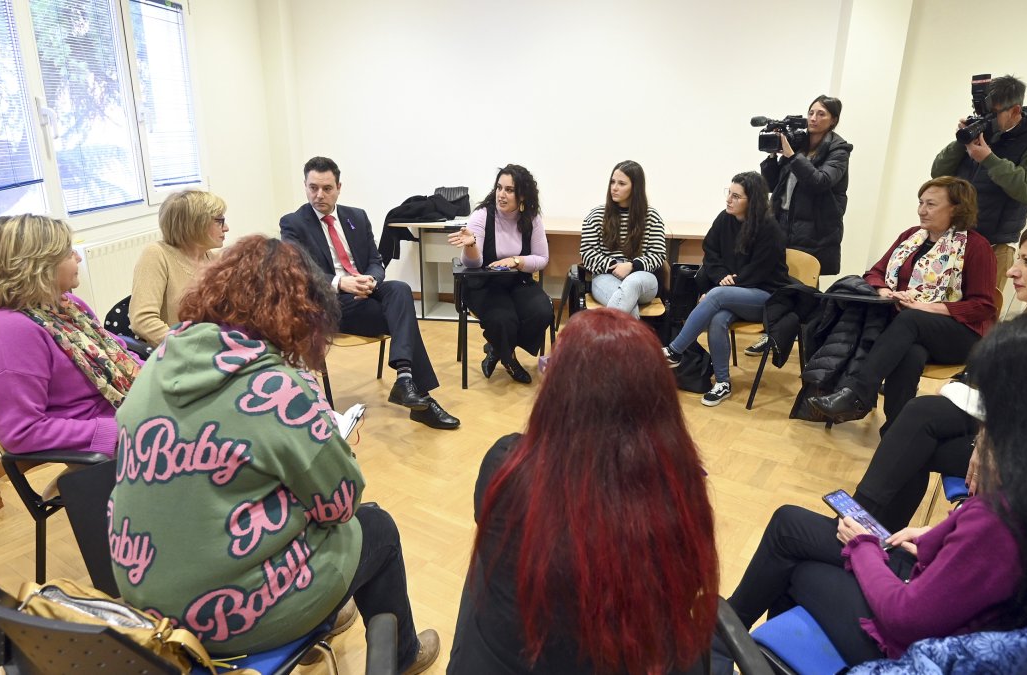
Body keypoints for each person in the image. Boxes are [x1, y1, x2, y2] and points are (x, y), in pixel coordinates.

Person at [724, 308, 1027, 667]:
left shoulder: (1010, 514)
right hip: (960, 612)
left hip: (925, 646)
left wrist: (866, 547)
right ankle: (723, 644)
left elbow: (908, 618)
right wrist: (933, 536)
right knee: (790, 525)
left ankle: (724, 642)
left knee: (796, 563)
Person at [110, 236, 440, 673]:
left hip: (143, 601)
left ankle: (326, 608)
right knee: (375, 525)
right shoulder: (276, 389)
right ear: (302, 314)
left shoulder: (158, 362)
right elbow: (341, 503)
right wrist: (323, 432)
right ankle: (403, 655)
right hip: (227, 621)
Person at [448, 309, 719, 674]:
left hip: (503, 661)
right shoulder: (678, 492)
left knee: (490, 550)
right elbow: (681, 598)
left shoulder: (506, 463)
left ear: (558, 392)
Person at [853, 217, 1027, 531]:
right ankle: (873, 537)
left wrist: (991, 433)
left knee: (918, 432)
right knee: (920, 422)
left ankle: (859, 530)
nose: (1011, 271)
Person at [280, 156, 458, 429]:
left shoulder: (356, 216)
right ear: (304, 186)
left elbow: (376, 259)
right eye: (313, 187)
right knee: (403, 320)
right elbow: (298, 271)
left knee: (399, 290)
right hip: (330, 304)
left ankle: (405, 380)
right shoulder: (293, 223)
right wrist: (341, 283)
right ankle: (417, 394)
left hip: (364, 294)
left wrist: (372, 280)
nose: (319, 195)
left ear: (339, 187)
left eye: (327, 188)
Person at [807, 176, 997, 431]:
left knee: (910, 320)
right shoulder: (911, 236)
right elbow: (874, 272)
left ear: (956, 208)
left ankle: (857, 394)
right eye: (920, 202)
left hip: (959, 334)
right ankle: (896, 431)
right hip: (909, 332)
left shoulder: (976, 246)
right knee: (910, 354)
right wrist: (886, 291)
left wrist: (924, 307)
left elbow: (983, 306)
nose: (921, 210)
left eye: (931, 204)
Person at [0, 214, 141, 456]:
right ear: (38, 265)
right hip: (112, 447)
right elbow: (23, 432)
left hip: (133, 415)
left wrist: (161, 371)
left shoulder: (65, 304)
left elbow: (118, 353)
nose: (78, 257)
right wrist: (118, 430)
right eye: (69, 253)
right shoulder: (8, 334)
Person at [661, 172, 789, 406]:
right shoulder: (724, 219)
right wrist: (721, 278)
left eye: (736, 196)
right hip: (731, 293)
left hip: (765, 296)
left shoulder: (769, 229)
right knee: (719, 318)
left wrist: (726, 285)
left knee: (717, 297)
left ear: (752, 201)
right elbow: (711, 253)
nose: (729, 200)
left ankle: (675, 351)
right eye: (728, 193)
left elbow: (760, 271)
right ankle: (723, 382)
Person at [931, 74, 1027, 289]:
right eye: (983, 113)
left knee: (982, 315)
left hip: (995, 245)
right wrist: (960, 140)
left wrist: (988, 159)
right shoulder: (983, 130)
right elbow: (938, 172)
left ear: (1015, 111)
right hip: (952, 237)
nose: (987, 119)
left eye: (994, 114)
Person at [746, 95, 851, 357]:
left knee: (804, 291)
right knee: (778, 283)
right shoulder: (799, 142)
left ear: (833, 120)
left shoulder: (839, 150)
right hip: (782, 224)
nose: (814, 118)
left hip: (816, 230)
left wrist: (792, 155)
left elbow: (820, 181)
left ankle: (809, 345)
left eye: (822, 114)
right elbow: (770, 186)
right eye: (811, 112)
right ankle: (772, 335)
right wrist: (772, 157)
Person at [449, 164, 551, 384]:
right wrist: (471, 245)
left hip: (517, 281)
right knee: (503, 319)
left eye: (509, 190)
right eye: (499, 188)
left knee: (542, 311)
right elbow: (472, 264)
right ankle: (510, 361)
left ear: (522, 195)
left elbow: (542, 259)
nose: (502, 195)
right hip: (484, 284)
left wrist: (516, 261)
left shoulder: (531, 219)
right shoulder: (482, 216)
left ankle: (497, 348)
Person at [130, 189, 229, 346]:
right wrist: (186, 345)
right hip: (177, 353)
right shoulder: (156, 254)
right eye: (219, 221)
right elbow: (142, 320)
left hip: (211, 349)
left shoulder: (214, 259)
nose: (226, 228)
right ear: (196, 223)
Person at [578, 160, 667, 318]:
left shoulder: (651, 217)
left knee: (632, 284)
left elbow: (658, 255)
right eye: (612, 182)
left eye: (621, 183)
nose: (614, 187)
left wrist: (632, 266)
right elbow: (587, 253)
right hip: (605, 277)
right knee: (627, 305)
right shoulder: (597, 215)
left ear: (635, 187)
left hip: (643, 278)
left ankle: (598, 340)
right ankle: (632, 343)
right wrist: (614, 266)